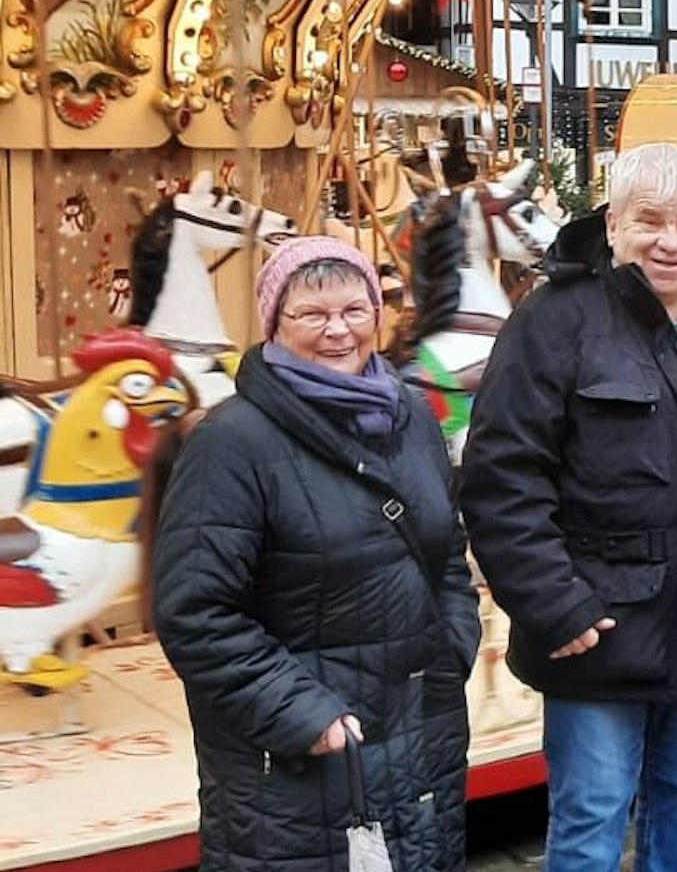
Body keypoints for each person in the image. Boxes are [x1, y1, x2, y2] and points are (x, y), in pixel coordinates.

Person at [456, 143, 677, 872]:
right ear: (614, 223)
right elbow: (502, 476)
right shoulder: (555, 320)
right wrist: (551, 603)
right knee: (594, 807)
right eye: (649, 220)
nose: (670, 240)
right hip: (595, 622)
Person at [153, 236, 479, 872]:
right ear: (275, 322)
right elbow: (195, 611)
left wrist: (452, 645)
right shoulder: (232, 443)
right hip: (303, 755)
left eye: (356, 311)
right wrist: (303, 714)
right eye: (313, 315)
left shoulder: (410, 416)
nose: (339, 331)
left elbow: (445, 550)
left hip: (419, 725)